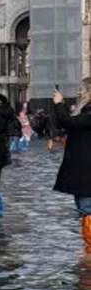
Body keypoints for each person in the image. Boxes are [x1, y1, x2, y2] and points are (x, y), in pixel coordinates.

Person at [52, 78, 91, 253]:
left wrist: (59, 104)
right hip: (82, 168)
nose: (79, 92)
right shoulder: (86, 111)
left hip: (86, 170)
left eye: (82, 89)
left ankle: (90, 250)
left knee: (86, 208)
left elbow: (68, 123)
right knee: (84, 208)